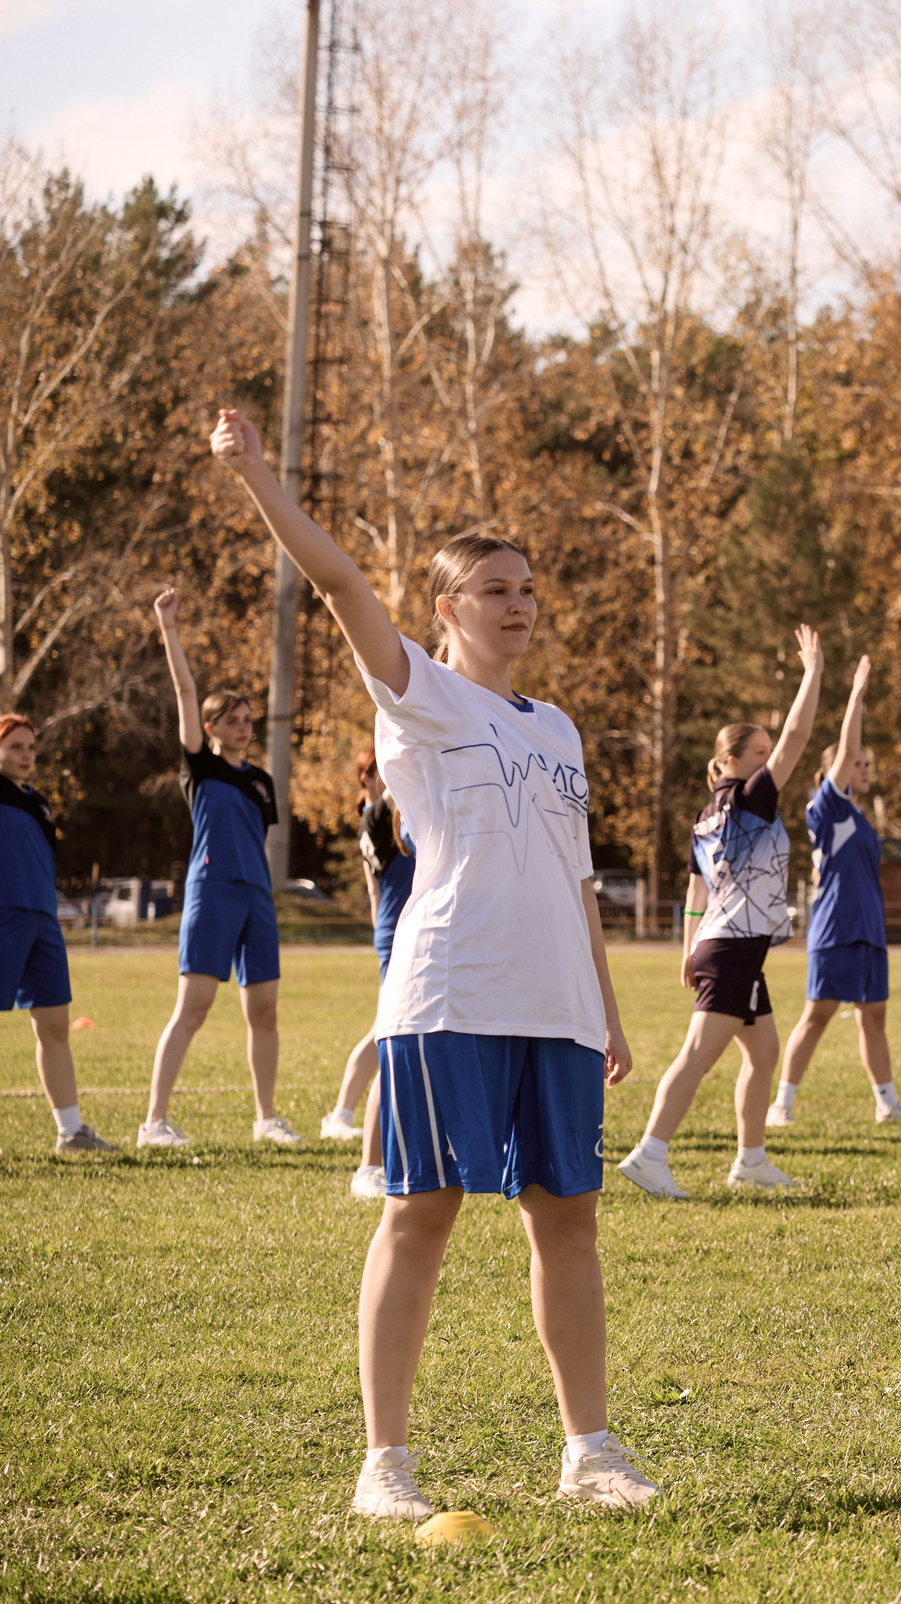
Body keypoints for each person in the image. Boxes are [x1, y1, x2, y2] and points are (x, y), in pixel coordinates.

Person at [211, 407, 654, 1517]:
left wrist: (603, 1003)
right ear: (449, 610)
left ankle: (589, 1450)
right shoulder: (418, 692)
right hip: (451, 986)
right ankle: (384, 1465)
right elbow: (341, 585)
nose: (520, 603)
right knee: (424, 1206)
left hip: (555, 999)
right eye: (497, 588)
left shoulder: (557, 728)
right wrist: (258, 475)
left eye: (528, 588)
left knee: (568, 1215)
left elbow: (579, 879)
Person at [619, 627, 826, 1198]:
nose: (768, 763)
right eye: (758, 754)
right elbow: (798, 735)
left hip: (725, 946)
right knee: (697, 1056)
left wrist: (687, 951)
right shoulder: (748, 798)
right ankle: (649, 1153)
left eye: (766, 754)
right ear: (732, 762)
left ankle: (751, 1159)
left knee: (763, 1053)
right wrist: (812, 673)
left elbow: (695, 892)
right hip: (733, 949)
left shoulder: (707, 814)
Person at [142, 590, 295, 1148]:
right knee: (195, 1007)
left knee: (265, 1010)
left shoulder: (261, 782)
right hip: (213, 890)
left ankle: (266, 1118)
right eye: (232, 720)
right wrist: (170, 629)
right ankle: (154, 1122)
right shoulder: (200, 768)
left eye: (247, 720)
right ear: (209, 728)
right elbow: (184, 689)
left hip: (257, 895)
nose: (243, 726)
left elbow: (257, 838)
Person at [769, 654, 901, 1133]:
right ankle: (782, 1104)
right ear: (835, 771)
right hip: (836, 929)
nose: (865, 767)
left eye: (867, 763)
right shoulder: (826, 808)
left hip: (869, 930)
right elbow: (847, 742)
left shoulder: (859, 817)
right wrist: (856, 693)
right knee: (817, 1016)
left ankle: (886, 1102)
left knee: (874, 1016)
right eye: (858, 762)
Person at [0, 714, 104, 1154]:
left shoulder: (38, 803)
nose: (26, 756)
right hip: (4, 916)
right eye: (15, 747)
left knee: (55, 1024)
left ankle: (72, 1132)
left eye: (30, 747)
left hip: (43, 920)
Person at [319, 754, 414, 1199]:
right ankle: (360, 1146)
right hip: (399, 933)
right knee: (387, 1037)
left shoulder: (394, 817)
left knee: (383, 1033)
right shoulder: (377, 818)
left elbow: (375, 893)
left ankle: (342, 1114)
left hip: (395, 930)